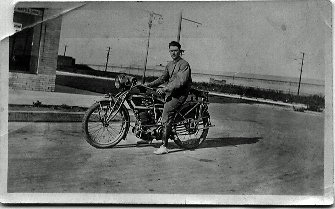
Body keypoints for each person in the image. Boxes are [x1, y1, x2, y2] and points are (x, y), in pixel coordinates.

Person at [140, 41, 192, 155]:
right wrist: (148, 85)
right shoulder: (170, 64)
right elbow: (162, 78)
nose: (173, 53)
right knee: (150, 105)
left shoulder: (184, 65)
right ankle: (149, 135)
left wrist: (164, 89)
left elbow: (180, 81)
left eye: (175, 50)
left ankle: (164, 146)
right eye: (171, 51)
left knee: (166, 113)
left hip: (179, 95)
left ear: (180, 51)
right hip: (170, 93)